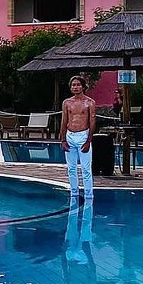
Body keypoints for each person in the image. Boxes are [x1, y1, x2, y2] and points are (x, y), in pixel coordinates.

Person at [60, 74, 96, 202]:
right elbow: (64, 121)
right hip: (70, 135)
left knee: (86, 168)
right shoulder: (67, 103)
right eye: (73, 85)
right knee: (71, 168)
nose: (76, 87)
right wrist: (63, 139)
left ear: (83, 86)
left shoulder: (90, 102)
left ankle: (88, 194)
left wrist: (88, 140)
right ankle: (74, 193)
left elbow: (92, 122)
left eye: (78, 85)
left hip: (83, 135)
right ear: (70, 87)